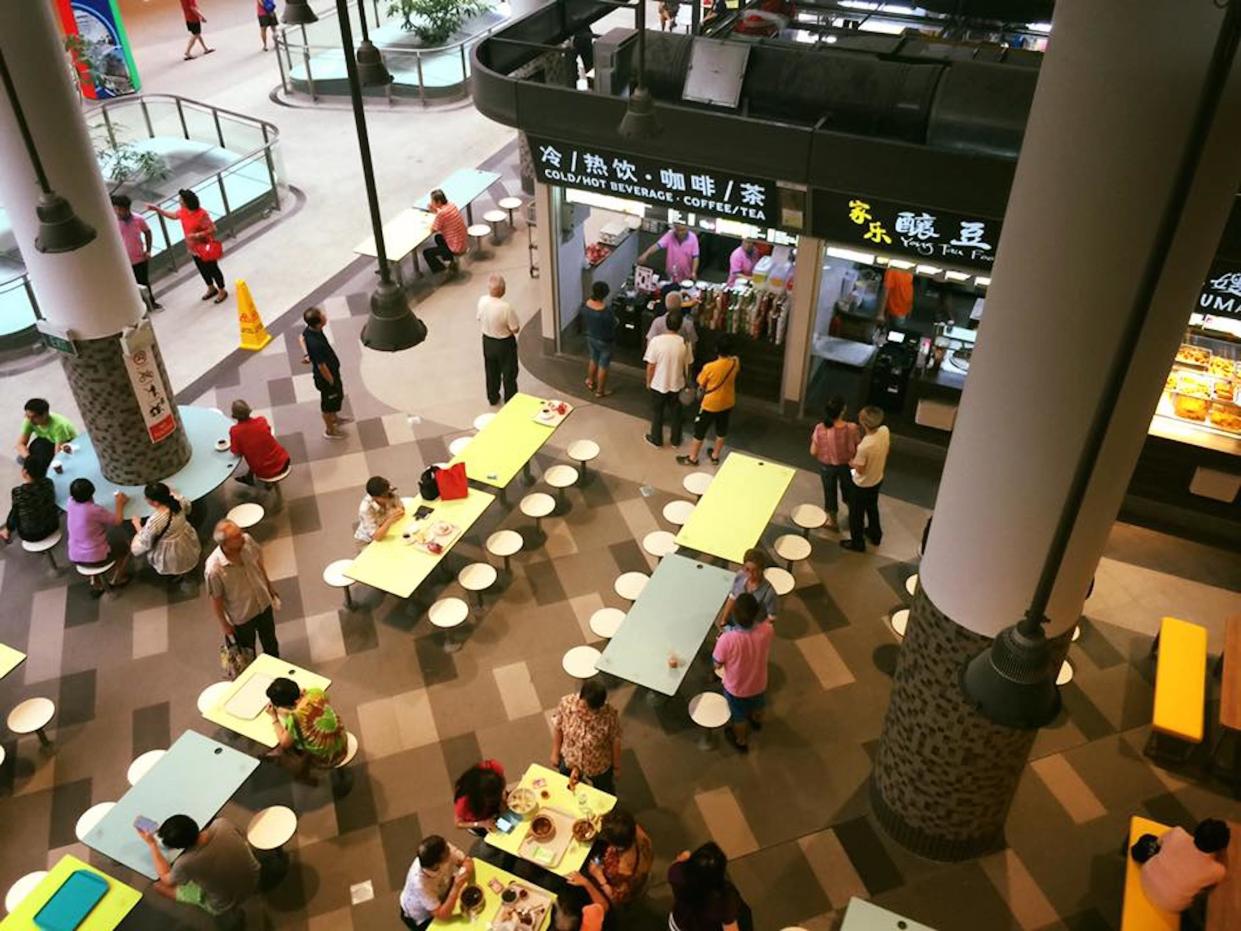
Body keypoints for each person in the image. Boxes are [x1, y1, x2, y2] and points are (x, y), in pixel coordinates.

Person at [137, 814, 258, 918]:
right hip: (254, 874)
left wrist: (152, 844)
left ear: (177, 847)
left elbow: (166, 878)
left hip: (225, 903)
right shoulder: (221, 823)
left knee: (158, 886)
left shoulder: (184, 863)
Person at [205, 518, 280, 658]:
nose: (242, 536)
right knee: (247, 653)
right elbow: (216, 599)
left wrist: (268, 586)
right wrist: (225, 625)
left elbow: (258, 563)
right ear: (225, 543)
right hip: (242, 617)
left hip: (263, 604)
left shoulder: (247, 541)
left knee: (271, 642)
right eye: (236, 536)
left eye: (240, 532)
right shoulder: (214, 569)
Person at [712, 593, 773, 753]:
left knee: (738, 716)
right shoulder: (767, 630)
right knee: (758, 704)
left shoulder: (727, 639)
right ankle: (757, 721)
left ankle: (741, 740)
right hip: (759, 681)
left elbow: (717, 663)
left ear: (735, 615)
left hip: (736, 687)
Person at [1133, 819, 1230, 916]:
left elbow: (1158, 842)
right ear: (1221, 848)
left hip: (1146, 875)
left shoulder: (1177, 833)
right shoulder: (1218, 871)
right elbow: (1206, 890)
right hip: (1170, 904)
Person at [147, 189, 226, 303]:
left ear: (187, 201)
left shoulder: (201, 214)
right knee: (202, 269)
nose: (179, 201)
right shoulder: (184, 211)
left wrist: (197, 235)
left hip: (205, 247)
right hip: (194, 249)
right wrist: (157, 209)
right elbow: (174, 216)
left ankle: (222, 290)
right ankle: (211, 287)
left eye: (181, 199)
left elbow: (212, 229)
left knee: (212, 269)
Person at [264, 677, 348, 778]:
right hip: (341, 739)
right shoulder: (316, 692)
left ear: (284, 705)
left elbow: (284, 743)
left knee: (284, 748)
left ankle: (303, 775)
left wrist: (274, 717)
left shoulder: (294, 718)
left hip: (329, 757)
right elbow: (318, 706)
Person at [551, 679, 621, 795]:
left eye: (591, 710)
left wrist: (617, 767)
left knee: (604, 792)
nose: (585, 713)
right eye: (583, 706)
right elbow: (558, 727)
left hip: (597, 763)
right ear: (581, 696)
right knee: (568, 788)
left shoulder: (609, 716)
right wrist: (555, 752)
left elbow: (615, 740)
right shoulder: (566, 704)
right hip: (570, 757)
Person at [678, 335, 738, 467]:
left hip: (710, 404)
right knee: (722, 429)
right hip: (727, 402)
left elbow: (700, 381)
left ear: (716, 349)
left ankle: (693, 458)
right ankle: (715, 456)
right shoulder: (735, 362)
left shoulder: (709, 367)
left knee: (700, 430)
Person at [840, 405, 890, 552]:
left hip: (862, 485)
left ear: (863, 422)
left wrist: (851, 462)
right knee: (872, 507)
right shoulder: (884, 431)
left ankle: (857, 542)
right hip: (877, 478)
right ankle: (875, 534)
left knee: (856, 514)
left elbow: (860, 469)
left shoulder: (865, 446)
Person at [67, 479, 130, 595]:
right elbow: (117, 521)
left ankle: (96, 581)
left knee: (92, 543)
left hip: (75, 555)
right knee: (126, 547)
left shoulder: (70, 503)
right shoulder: (94, 510)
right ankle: (117, 578)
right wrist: (119, 503)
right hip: (95, 556)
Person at [398, 835, 473, 930]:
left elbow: (467, 861)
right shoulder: (420, 884)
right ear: (437, 864)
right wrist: (456, 887)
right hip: (422, 914)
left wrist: (464, 871)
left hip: (442, 889)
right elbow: (441, 915)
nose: (449, 848)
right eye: (447, 851)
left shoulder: (443, 848)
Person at [809, 396, 861, 532]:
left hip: (827, 466)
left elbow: (813, 451)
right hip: (848, 466)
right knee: (850, 490)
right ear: (843, 410)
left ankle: (833, 522)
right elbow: (859, 445)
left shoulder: (820, 428)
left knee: (829, 492)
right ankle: (853, 516)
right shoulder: (852, 428)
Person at [667, 842, 745, 931]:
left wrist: (686, 855)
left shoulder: (676, 874)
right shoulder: (724, 899)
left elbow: (681, 859)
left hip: (679, 923)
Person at [129, 483, 201, 579]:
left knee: (176, 564)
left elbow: (145, 540)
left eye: (147, 498)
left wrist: (136, 524)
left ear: (155, 502)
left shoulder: (155, 520)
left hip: (171, 549)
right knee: (187, 558)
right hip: (185, 536)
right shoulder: (179, 501)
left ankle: (180, 576)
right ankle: (186, 573)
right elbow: (188, 509)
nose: (145, 499)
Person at [644, 307, 690, 448]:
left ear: (666, 323)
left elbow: (651, 365)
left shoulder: (656, 341)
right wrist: (686, 381)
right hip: (677, 383)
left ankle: (656, 439)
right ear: (680, 325)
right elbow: (686, 366)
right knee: (676, 413)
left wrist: (648, 381)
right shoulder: (684, 343)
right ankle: (676, 440)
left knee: (657, 412)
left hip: (658, 383)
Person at [303, 307, 351, 440]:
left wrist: (306, 354)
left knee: (336, 398)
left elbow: (301, 338)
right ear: (318, 323)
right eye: (322, 315)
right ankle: (330, 431)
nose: (324, 315)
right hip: (326, 379)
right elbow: (321, 366)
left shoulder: (311, 330)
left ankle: (335, 419)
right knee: (327, 405)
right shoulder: (315, 344)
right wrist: (331, 381)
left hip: (332, 374)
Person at [587, 808, 653, 906]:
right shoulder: (634, 830)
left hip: (628, 889)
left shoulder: (622, 870)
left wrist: (599, 876)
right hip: (643, 864)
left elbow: (616, 899)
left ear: (615, 846)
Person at [477, 274, 521, 406]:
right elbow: (515, 328)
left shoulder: (482, 301)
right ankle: (511, 400)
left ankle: (493, 396)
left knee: (491, 371)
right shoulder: (506, 307)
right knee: (509, 372)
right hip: (504, 343)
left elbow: (479, 317)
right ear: (503, 290)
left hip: (487, 341)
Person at [112, 194, 160, 310]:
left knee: (144, 282)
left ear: (127, 208)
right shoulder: (112, 222)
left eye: (121, 209)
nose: (119, 212)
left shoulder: (138, 219)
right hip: (124, 262)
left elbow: (147, 232)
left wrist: (148, 250)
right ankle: (138, 307)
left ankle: (151, 303)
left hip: (139, 258)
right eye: (116, 209)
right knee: (130, 286)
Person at [228, 400, 290, 485]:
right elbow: (268, 432)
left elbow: (236, 451)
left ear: (235, 416)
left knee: (255, 456)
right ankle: (249, 478)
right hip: (284, 461)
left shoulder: (235, 431)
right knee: (260, 452)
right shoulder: (262, 420)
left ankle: (254, 479)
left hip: (265, 472)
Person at [0, 458, 58, 545]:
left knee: (16, 510)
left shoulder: (18, 492)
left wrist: (9, 526)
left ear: (25, 472)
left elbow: (15, 514)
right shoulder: (49, 483)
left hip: (29, 535)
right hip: (53, 525)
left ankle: (7, 531)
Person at [718, 549, 777, 631]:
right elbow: (732, 597)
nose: (750, 574)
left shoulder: (769, 592)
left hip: (753, 628)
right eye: (747, 569)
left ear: (762, 570)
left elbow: (771, 618)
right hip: (735, 621)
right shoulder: (740, 576)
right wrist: (724, 620)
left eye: (755, 571)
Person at [453, 759, 506, 835]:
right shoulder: (464, 800)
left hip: (496, 809)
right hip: (480, 821)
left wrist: (502, 796)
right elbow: (458, 823)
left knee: (512, 826)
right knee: (501, 836)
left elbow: (502, 783)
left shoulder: (492, 767)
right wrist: (481, 824)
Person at [16, 398, 77, 463]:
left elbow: (58, 455)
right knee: (22, 459)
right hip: (47, 439)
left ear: (45, 414)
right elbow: (20, 444)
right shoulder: (29, 421)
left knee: (50, 463)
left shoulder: (59, 426)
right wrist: (29, 459)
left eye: (34, 417)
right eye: (27, 416)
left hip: (65, 443)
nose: (30, 420)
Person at [582, 281, 616, 398]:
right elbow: (613, 324)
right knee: (603, 365)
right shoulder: (606, 312)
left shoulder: (587, 304)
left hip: (591, 336)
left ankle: (590, 381)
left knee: (593, 358)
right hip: (605, 341)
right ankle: (600, 391)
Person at [423, 188, 468, 276]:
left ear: (438, 202)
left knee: (427, 253)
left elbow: (433, 229)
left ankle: (440, 269)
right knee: (438, 237)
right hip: (462, 241)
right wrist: (435, 210)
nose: (431, 203)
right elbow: (444, 217)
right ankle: (450, 261)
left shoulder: (441, 214)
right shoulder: (452, 205)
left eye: (433, 201)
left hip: (456, 247)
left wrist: (433, 212)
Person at [646, 292, 698, 362]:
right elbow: (692, 346)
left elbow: (650, 342)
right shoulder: (688, 324)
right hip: (680, 360)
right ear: (681, 305)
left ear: (666, 304)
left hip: (659, 360)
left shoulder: (657, 322)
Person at [356, 476, 405, 544]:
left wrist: (398, 511)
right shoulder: (365, 509)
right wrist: (390, 519)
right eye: (384, 496)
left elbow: (401, 509)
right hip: (368, 540)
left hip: (384, 527)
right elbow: (377, 537)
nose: (388, 498)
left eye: (388, 493)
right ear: (374, 497)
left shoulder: (388, 491)